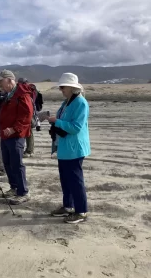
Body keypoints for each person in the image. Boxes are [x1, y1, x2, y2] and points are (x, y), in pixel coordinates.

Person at [45, 73, 91, 224]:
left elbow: (76, 127)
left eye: (63, 87)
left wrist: (56, 122)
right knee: (65, 179)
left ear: (71, 88)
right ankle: (68, 206)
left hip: (74, 148)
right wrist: (56, 122)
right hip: (65, 148)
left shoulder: (80, 103)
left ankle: (81, 211)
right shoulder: (67, 102)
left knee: (75, 180)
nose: (61, 90)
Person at [0, 70, 34, 205]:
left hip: (16, 135)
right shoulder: (9, 94)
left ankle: (23, 192)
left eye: (1, 81)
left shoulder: (21, 94)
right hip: (5, 134)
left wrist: (14, 128)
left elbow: (26, 115)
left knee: (17, 163)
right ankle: (14, 187)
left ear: (10, 80)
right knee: (7, 162)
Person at [17, 78, 44, 158]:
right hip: (32, 113)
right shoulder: (32, 89)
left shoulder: (28, 90)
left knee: (29, 132)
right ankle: (29, 150)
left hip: (29, 114)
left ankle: (29, 150)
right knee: (29, 132)